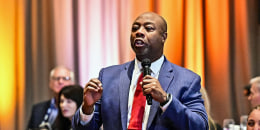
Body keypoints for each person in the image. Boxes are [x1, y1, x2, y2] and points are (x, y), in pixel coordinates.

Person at [72, 12, 208, 130]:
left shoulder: (187, 80)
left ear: (163, 37)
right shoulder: (107, 76)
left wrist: (166, 101)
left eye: (148, 28)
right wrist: (87, 108)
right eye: (135, 28)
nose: (139, 32)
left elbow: (200, 126)